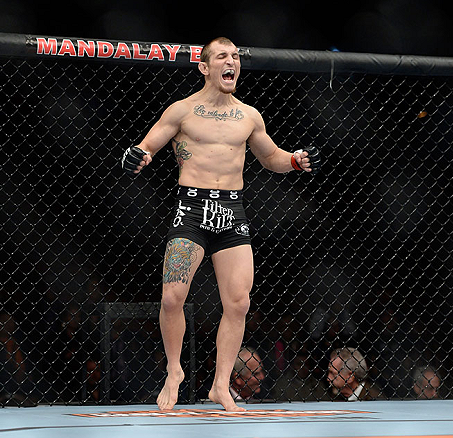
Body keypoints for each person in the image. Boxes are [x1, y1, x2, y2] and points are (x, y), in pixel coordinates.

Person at [121, 37, 319, 411]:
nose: (232, 62)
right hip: (192, 210)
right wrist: (136, 157)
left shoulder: (249, 115)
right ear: (205, 67)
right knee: (171, 298)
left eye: (235, 57)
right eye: (223, 57)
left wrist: (295, 160)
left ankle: (221, 386)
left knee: (239, 302)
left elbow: (270, 157)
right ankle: (175, 370)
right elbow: (147, 147)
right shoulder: (182, 111)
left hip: (231, 212)